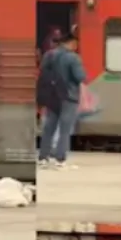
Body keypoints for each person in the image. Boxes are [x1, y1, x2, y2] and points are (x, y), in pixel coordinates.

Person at [37, 34, 85, 170]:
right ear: (71, 43)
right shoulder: (73, 57)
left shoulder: (48, 55)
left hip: (52, 96)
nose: (76, 47)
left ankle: (43, 158)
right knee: (65, 129)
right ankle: (60, 159)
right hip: (68, 96)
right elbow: (80, 76)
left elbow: (42, 71)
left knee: (49, 127)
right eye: (75, 44)